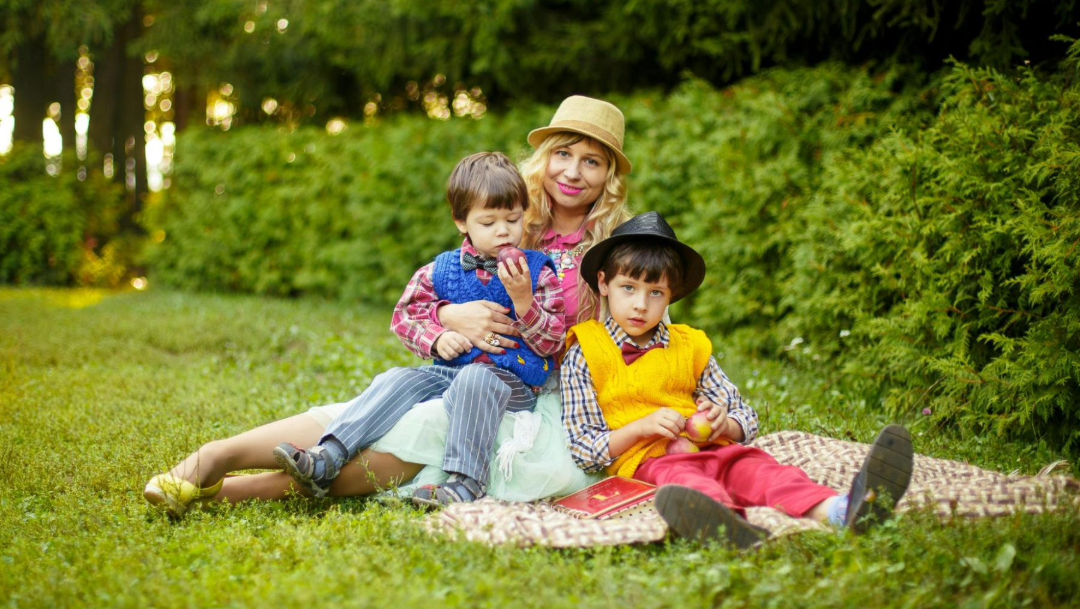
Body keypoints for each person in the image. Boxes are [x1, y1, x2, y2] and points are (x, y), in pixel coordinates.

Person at [143, 95, 722, 516]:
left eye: (592, 161)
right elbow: (440, 288)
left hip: (548, 392)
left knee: (427, 433)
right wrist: (449, 318)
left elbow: (647, 333)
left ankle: (231, 491)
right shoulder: (506, 210)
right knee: (385, 399)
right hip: (463, 360)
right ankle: (214, 458)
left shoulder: (624, 248)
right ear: (544, 158)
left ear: (610, 177)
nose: (573, 171)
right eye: (563, 153)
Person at [561, 211, 916, 548]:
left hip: (714, 449)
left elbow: (745, 415)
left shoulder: (690, 345)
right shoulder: (586, 351)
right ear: (604, 283)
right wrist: (642, 427)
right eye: (629, 288)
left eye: (656, 293)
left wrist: (724, 425)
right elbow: (585, 449)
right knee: (689, 485)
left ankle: (845, 511)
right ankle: (725, 527)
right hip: (651, 463)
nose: (641, 304)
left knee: (765, 471)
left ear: (671, 296)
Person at [270, 152, 566, 507]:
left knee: (477, 379)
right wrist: (438, 336)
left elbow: (553, 341)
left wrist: (523, 301)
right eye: (488, 222)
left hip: (513, 385)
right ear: (462, 222)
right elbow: (405, 316)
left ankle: (466, 482)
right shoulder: (439, 270)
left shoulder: (538, 272)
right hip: (450, 374)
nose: (503, 231)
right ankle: (329, 455)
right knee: (399, 378)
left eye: (513, 219)